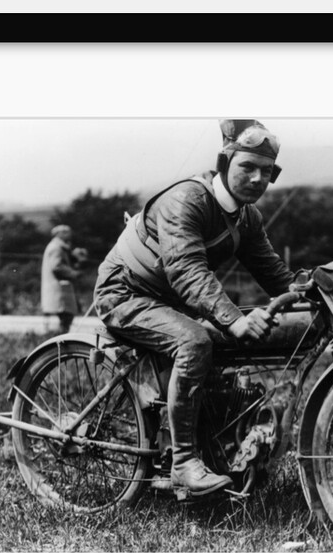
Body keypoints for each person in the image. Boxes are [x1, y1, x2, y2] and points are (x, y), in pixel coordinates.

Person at [93, 119, 295, 496]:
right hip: (124, 293)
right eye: (247, 167)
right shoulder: (187, 200)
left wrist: (313, 289)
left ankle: (217, 449)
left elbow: (273, 272)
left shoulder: (247, 217)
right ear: (224, 163)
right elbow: (186, 270)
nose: (256, 179)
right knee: (195, 342)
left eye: (266, 172)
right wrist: (233, 319)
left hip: (168, 299)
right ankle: (184, 463)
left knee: (218, 350)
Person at [41, 224, 90, 334]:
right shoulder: (56, 248)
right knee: (66, 315)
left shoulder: (59, 247)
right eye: (66, 232)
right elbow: (57, 266)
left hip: (60, 288)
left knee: (66, 316)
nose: (69, 235)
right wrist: (74, 273)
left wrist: (74, 257)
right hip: (59, 288)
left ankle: (60, 335)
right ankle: (59, 337)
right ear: (58, 234)